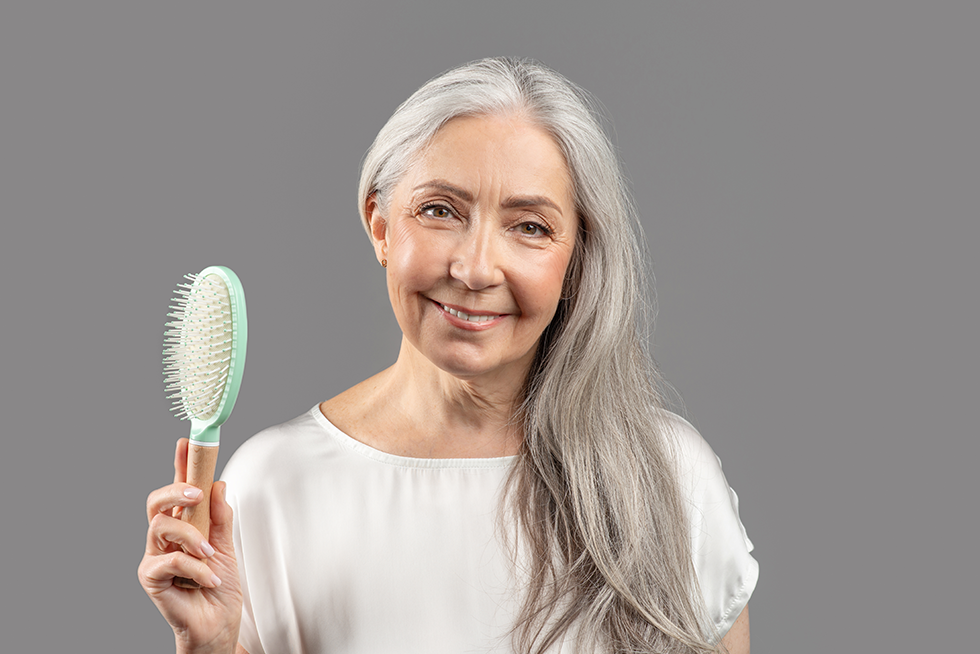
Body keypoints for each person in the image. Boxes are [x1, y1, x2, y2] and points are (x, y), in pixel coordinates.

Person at [139, 57, 758, 654]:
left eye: (530, 227)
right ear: (381, 227)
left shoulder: (670, 478)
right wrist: (211, 650)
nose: (475, 268)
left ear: (577, 259)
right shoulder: (272, 484)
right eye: (440, 211)